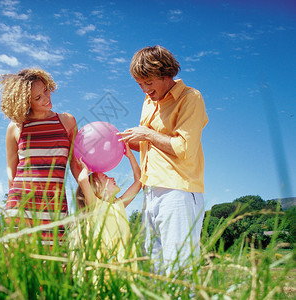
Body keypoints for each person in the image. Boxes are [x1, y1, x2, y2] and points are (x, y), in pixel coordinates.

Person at [118, 45, 209, 275]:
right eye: (140, 84)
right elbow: (148, 144)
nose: (144, 90)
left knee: (180, 267)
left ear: (166, 74)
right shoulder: (149, 102)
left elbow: (183, 148)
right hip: (151, 190)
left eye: (148, 82)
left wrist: (146, 134)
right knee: (154, 266)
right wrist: (124, 141)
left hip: (179, 191)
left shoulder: (191, 98)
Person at [0, 68, 80, 246]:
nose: (47, 99)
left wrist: (90, 194)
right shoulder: (16, 127)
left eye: (46, 91)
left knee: (56, 267)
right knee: (21, 268)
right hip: (21, 205)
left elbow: (75, 164)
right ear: (26, 102)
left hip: (54, 205)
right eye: (38, 98)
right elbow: (12, 169)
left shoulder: (67, 121)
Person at [70, 144, 141, 276]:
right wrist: (86, 167)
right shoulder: (95, 205)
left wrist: (131, 156)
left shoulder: (118, 204)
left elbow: (138, 181)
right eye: (106, 178)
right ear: (97, 188)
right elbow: (82, 179)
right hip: (104, 265)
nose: (112, 178)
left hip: (123, 262)